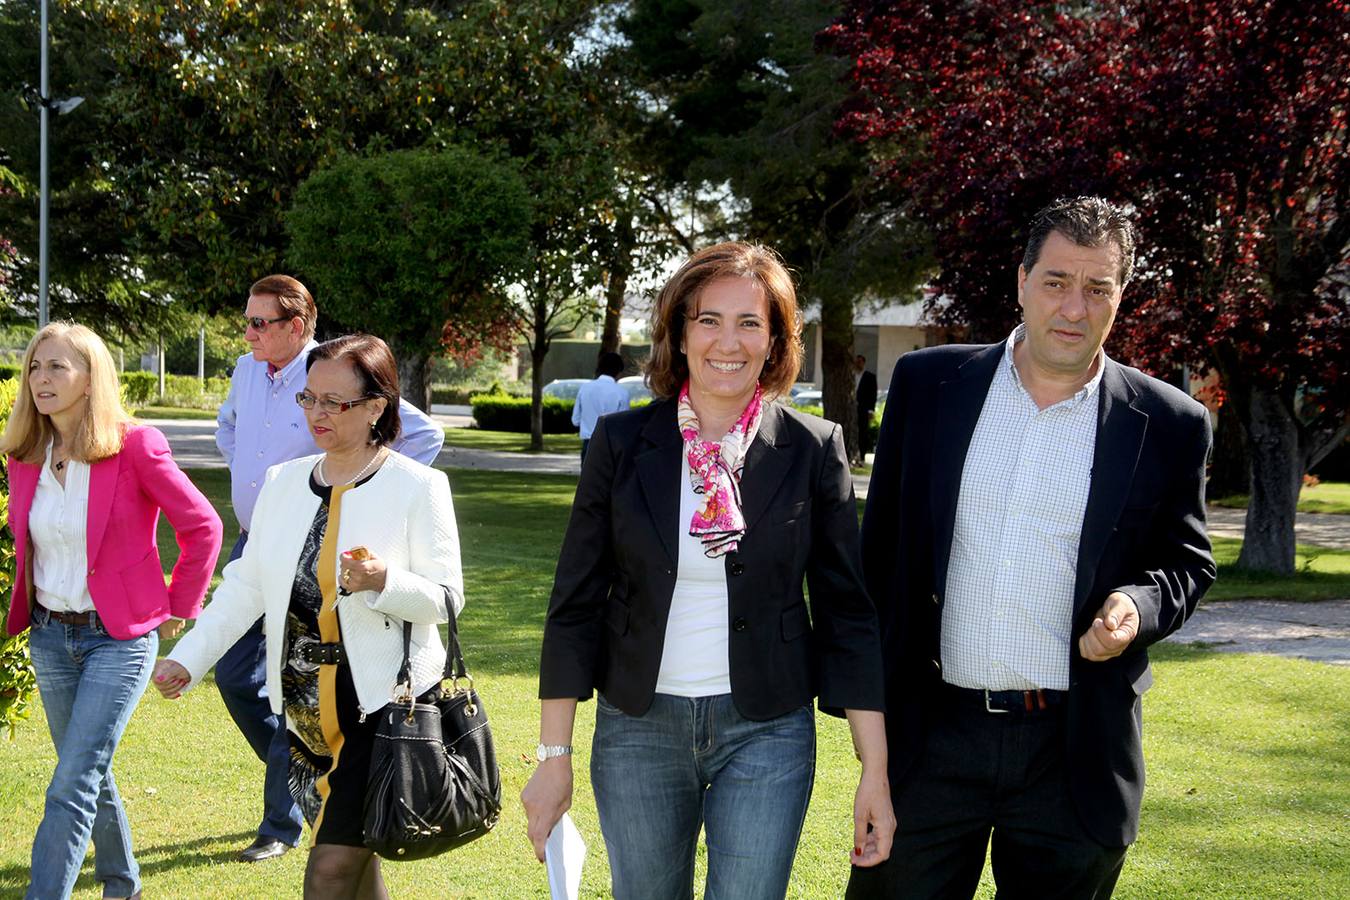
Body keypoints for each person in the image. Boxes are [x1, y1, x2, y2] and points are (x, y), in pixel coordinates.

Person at [846, 197, 1217, 899]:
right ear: (1021, 282)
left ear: (1120, 296)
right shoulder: (929, 389)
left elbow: (1187, 561)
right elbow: (880, 561)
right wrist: (872, 740)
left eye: (1097, 287)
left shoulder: (1169, 422)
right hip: (932, 737)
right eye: (1056, 281)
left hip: (1075, 750)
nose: (1074, 307)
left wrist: (1136, 607)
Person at [522, 242, 894, 899]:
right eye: (709, 319)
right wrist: (554, 758)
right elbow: (574, 603)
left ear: (777, 340)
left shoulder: (814, 448)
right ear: (680, 333)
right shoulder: (621, 443)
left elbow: (849, 615)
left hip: (768, 730)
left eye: (750, 322)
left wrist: (876, 768)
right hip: (638, 727)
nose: (730, 341)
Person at [153, 333, 463, 899]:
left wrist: (384, 581)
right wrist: (188, 659)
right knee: (353, 856)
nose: (317, 414)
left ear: (377, 407)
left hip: (381, 704)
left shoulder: (420, 486)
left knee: (328, 868)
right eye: (309, 399)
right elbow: (245, 586)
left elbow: (446, 599)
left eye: (334, 403)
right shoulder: (284, 483)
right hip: (302, 705)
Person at [213, 274, 445, 862]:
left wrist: (365, 495)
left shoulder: (339, 372)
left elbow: (420, 434)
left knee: (301, 692)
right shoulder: (247, 371)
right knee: (241, 679)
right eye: (247, 320)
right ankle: (304, 767)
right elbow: (229, 428)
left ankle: (281, 819)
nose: (248, 333)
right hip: (258, 545)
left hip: (330, 577)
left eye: (259, 323)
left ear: (297, 325)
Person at [2, 322, 223, 900]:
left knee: (71, 781)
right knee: (87, 771)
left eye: (57, 367)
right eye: (34, 367)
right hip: (50, 636)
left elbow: (202, 526)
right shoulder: (24, 453)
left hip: (118, 640)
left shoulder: (135, 446)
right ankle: (123, 884)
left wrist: (180, 605)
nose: (41, 379)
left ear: (90, 377)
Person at [571, 351, 629, 462]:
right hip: (610, 446)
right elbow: (623, 425)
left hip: (588, 444)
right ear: (619, 371)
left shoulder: (585, 388)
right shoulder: (622, 393)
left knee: (587, 479)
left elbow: (575, 420)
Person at [854, 354, 878, 457]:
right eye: (856, 362)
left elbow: (873, 395)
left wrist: (870, 410)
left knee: (863, 432)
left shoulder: (870, 377)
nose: (858, 364)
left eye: (860, 362)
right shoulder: (851, 375)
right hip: (852, 409)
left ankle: (862, 454)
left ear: (863, 363)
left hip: (864, 409)